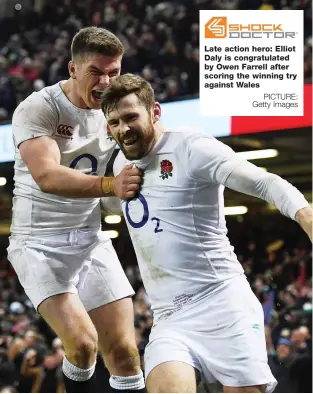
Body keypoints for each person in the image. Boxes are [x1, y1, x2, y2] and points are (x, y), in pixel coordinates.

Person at [100, 73, 313, 393]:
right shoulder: (120, 164)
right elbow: (115, 207)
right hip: (170, 317)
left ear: (155, 111)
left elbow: (265, 183)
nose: (123, 129)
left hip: (223, 304)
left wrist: (307, 218)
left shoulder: (191, 148)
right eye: (114, 122)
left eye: (131, 117)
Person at [7, 28, 145, 393]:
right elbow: (48, 176)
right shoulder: (40, 108)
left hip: (91, 238)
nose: (105, 82)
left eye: (113, 72)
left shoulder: (117, 106)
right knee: (83, 345)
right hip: (38, 242)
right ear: (72, 68)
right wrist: (110, 187)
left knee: (127, 354)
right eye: (96, 72)